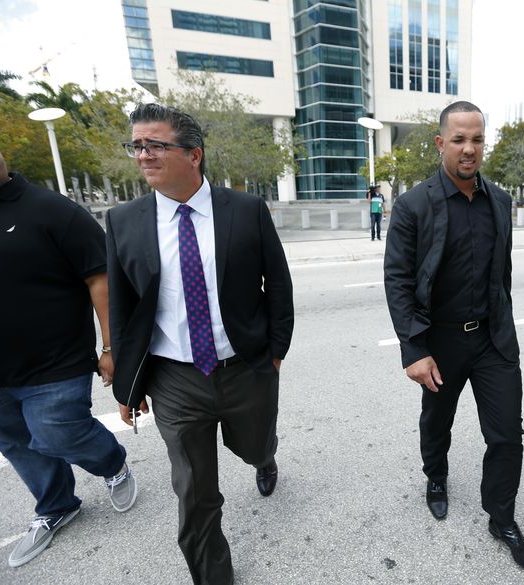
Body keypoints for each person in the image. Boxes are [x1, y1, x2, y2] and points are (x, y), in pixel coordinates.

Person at [106, 103, 295, 585]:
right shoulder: (124, 221)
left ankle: (264, 455)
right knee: (194, 492)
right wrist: (128, 386)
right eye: (137, 146)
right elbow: (124, 309)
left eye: (154, 145)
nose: (142, 155)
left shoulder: (246, 209)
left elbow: (277, 284)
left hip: (245, 367)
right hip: (174, 380)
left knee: (253, 445)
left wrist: (275, 352)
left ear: (193, 154)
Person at [384, 101, 524, 574]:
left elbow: (503, 273)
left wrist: (506, 324)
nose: (469, 148)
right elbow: (397, 279)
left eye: (476, 139)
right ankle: (436, 477)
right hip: (440, 342)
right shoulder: (414, 205)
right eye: (459, 139)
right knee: (437, 421)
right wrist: (414, 349)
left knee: (507, 433)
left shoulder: (500, 200)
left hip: (493, 340)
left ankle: (502, 518)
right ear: (440, 143)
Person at [0, 137, 137, 569]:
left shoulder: (50, 209)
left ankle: (112, 463)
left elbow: (101, 279)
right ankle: (56, 504)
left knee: (57, 432)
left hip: (55, 361)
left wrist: (111, 346)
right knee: (18, 443)